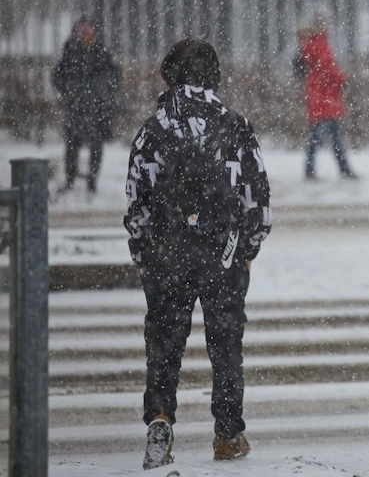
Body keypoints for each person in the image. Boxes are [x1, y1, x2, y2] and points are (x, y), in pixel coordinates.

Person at [123, 39, 272, 469]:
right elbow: (256, 196)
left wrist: (143, 252)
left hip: (167, 256)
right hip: (222, 256)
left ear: (170, 76)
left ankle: (161, 419)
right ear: (214, 77)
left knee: (164, 345)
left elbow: (137, 200)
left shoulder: (153, 131)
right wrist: (247, 248)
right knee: (226, 347)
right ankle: (227, 434)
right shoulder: (235, 127)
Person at [51, 17, 122, 193]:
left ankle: (92, 181)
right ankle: (70, 179)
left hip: (97, 108)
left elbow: (115, 76)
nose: (85, 37)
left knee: (96, 146)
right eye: (81, 33)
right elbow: (57, 76)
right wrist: (68, 90)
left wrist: (103, 92)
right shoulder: (69, 52)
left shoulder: (102, 53)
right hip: (75, 107)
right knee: (72, 145)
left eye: (88, 33)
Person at [297, 14, 358, 180]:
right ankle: (332, 169)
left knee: (328, 137)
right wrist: (341, 79)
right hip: (324, 98)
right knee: (323, 138)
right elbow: (327, 68)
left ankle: (337, 168)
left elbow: (324, 68)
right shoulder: (318, 45)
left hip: (324, 98)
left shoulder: (314, 44)